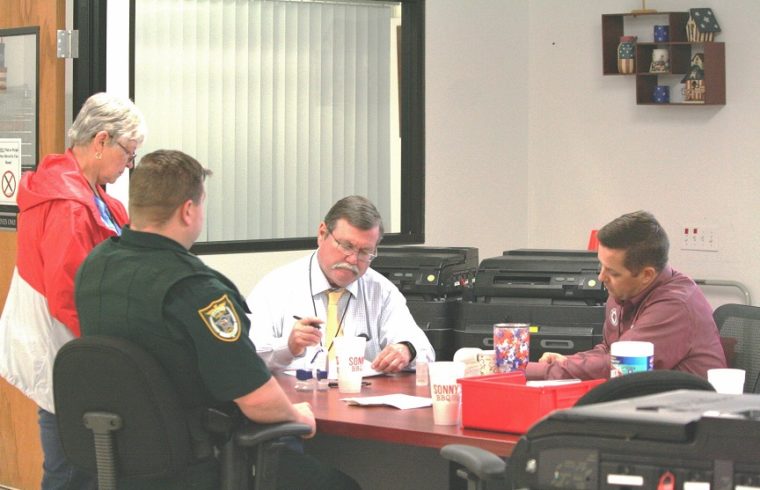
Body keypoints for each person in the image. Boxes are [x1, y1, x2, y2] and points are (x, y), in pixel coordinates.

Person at [75, 150, 359, 490]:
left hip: (116, 459)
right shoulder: (197, 291)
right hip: (199, 465)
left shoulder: (96, 266)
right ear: (188, 210)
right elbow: (256, 400)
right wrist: (297, 416)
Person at [0, 92, 146, 490]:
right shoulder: (67, 203)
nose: (129, 165)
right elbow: (69, 294)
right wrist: (116, 350)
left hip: (71, 345)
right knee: (70, 468)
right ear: (101, 141)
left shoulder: (87, 191)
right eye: (128, 153)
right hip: (65, 344)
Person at [526, 210, 726, 381]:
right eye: (601, 266)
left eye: (612, 272)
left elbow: (621, 365)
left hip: (690, 416)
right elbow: (608, 350)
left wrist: (536, 371)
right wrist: (567, 361)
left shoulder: (675, 305)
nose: (601, 277)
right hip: (646, 405)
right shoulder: (624, 290)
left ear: (646, 275)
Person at [247, 195, 435, 373]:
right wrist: (288, 347)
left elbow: (425, 351)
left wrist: (406, 349)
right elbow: (246, 356)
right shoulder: (276, 286)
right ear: (322, 234)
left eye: (365, 252)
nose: (353, 259)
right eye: (346, 246)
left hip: (363, 400)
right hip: (298, 400)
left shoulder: (381, 291)